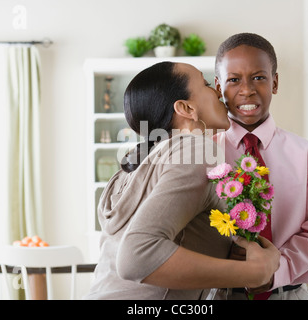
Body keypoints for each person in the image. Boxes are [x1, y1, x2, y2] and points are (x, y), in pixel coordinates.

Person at [84, 61, 280, 300]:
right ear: (186, 109)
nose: (219, 91)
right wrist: (253, 272)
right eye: (207, 84)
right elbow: (135, 258)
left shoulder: (135, 167)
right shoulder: (196, 148)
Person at [214, 33, 308, 300]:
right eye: (233, 79)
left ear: (274, 83)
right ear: (218, 88)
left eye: (259, 77)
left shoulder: (306, 155)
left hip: (287, 293)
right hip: (220, 294)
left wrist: (274, 270)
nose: (247, 89)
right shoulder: (203, 153)